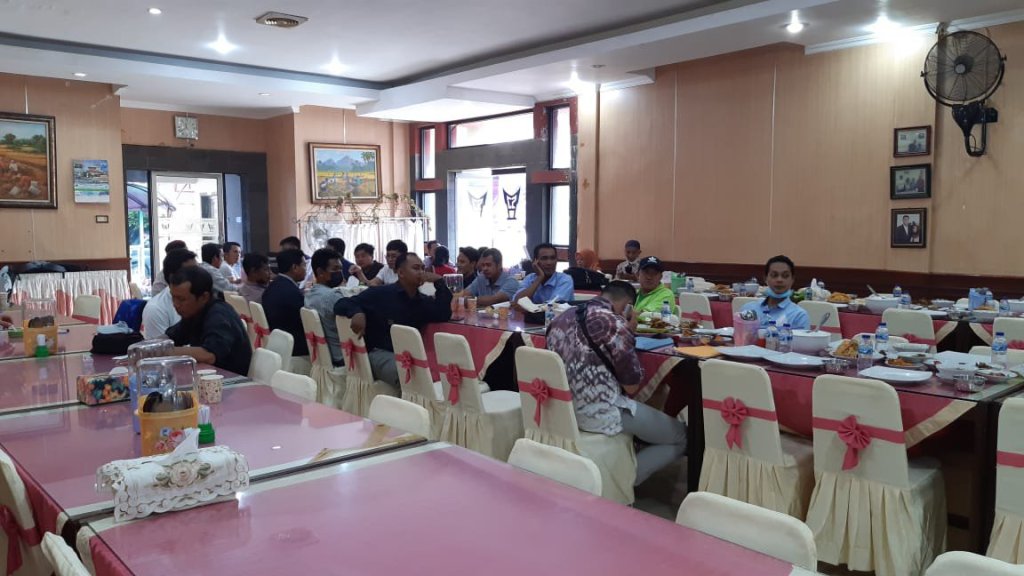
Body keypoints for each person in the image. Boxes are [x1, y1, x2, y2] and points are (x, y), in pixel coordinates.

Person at [546, 280, 686, 486]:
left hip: (562, 409)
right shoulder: (615, 324)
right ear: (628, 306)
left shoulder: (560, 318)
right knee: (682, 437)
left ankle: (620, 467)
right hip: (600, 411)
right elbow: (631, 386)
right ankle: (620, 481)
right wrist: (629, 332)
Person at [333, 253, 452, 390]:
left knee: (438, 375)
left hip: (407, 355)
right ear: (400, 272)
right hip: (378, 352)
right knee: (411, 377)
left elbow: (443, 314)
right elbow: (341, 304)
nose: (421, 272)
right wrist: (357, 312)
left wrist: (439, 283)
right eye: (416, 268)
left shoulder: (422, 301)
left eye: (422, 268)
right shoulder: (381, 293)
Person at [166, 266, 252, 375]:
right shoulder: (194, 312)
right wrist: (149, 347)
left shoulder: (219, 315)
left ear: (204, 297)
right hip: (207, 377)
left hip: (231, 381)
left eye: (181, 299)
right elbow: (170, 337)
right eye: (173, 297)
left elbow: (209, 355)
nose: (175, 304)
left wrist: (162, 352)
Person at [740, 255, 810, 330]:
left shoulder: (799, 315)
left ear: (792, 280)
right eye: (774, 275)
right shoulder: (749, 309)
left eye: (785, 276)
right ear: (765, 278)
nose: (779, 280)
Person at [261, 248, 309, 357]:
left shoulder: (273, 286)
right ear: (295, 267)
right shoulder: (291, 293)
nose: (306, 269)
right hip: (295, 347)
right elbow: (304, 321)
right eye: (304, 265)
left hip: (276, 342)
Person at [141, 248, 197, 339]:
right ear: (173, 277)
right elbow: (161, 346)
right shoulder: (156, 308)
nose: (198, 276)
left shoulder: (202, 299)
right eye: (191, 273)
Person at [305, 248, 347, 367]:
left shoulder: (309, 294)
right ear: (320, 272)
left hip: (325, 354)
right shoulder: (332, 296)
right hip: (343, 357)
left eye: (340, 269)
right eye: (335, 269)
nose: (340, 273)